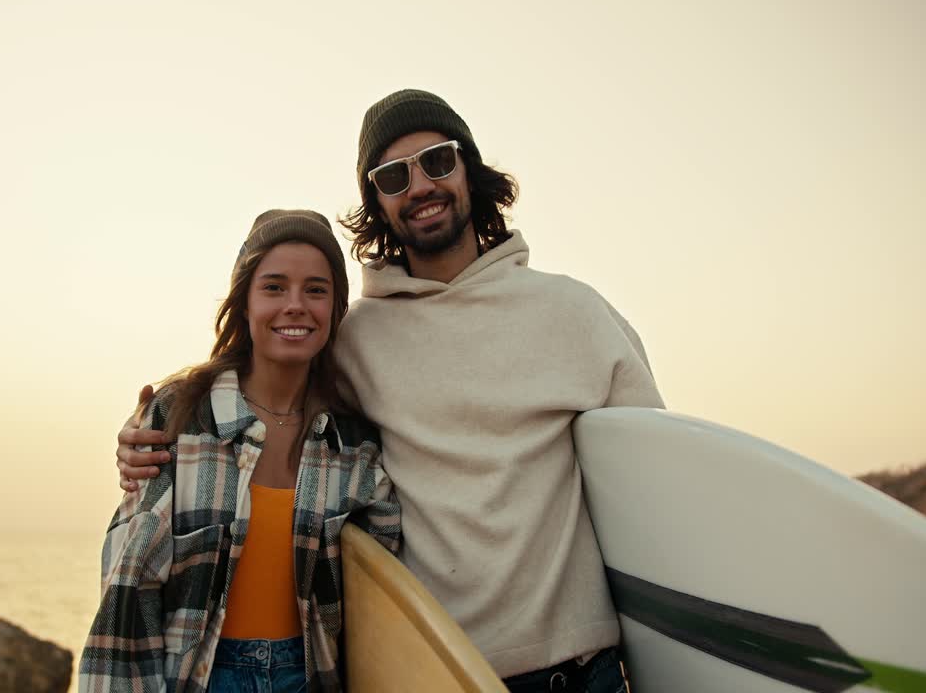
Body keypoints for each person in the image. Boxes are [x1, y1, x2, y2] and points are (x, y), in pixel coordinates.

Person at [116, 91, 664, 693]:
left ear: (469, 171)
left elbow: (655, 486)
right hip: (427, 671)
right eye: (393, 175)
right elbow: (260, 392)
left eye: (437, 162)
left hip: (580, 672)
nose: (420, 185)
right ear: (376, 201)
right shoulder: (356, 340)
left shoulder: (574, 313)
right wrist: (150, 440)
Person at [80, 210, 402, 693]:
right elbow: (130, 589)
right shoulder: (181, 418)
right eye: (273, 287)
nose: (295, 305)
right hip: (199, 676)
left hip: (311, 677)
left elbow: (379, 601)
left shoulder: (353, 444)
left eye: (315, 289)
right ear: (244, 303)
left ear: (335, 308)